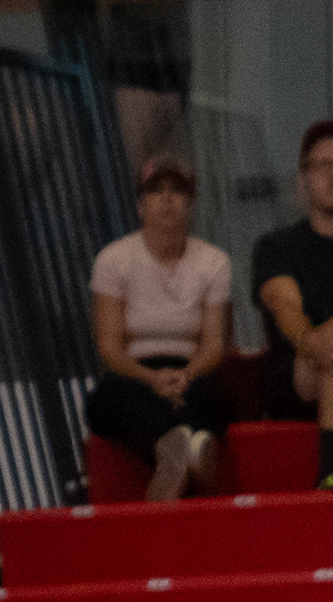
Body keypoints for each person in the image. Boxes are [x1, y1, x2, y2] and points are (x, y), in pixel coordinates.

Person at [88, 155, 239, 500]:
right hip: (135, 368)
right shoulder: (113, 260)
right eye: (156, 191)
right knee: (110, 401)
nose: (168, 199)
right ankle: (190, 452)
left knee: (210, 395)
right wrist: (151, 378)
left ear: (190, 203)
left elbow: (214, 344)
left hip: (190, 365)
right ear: (140, 206)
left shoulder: (214, 262)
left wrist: (186, 374)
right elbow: (110, 347)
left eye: (177, 191)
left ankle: (175, 459)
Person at [256, 118, 333, 489]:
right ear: (304, 179)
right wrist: (316, 341)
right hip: (300, 373)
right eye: (324, 165)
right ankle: (331, 476)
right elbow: (285, 306)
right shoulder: (276, 247)